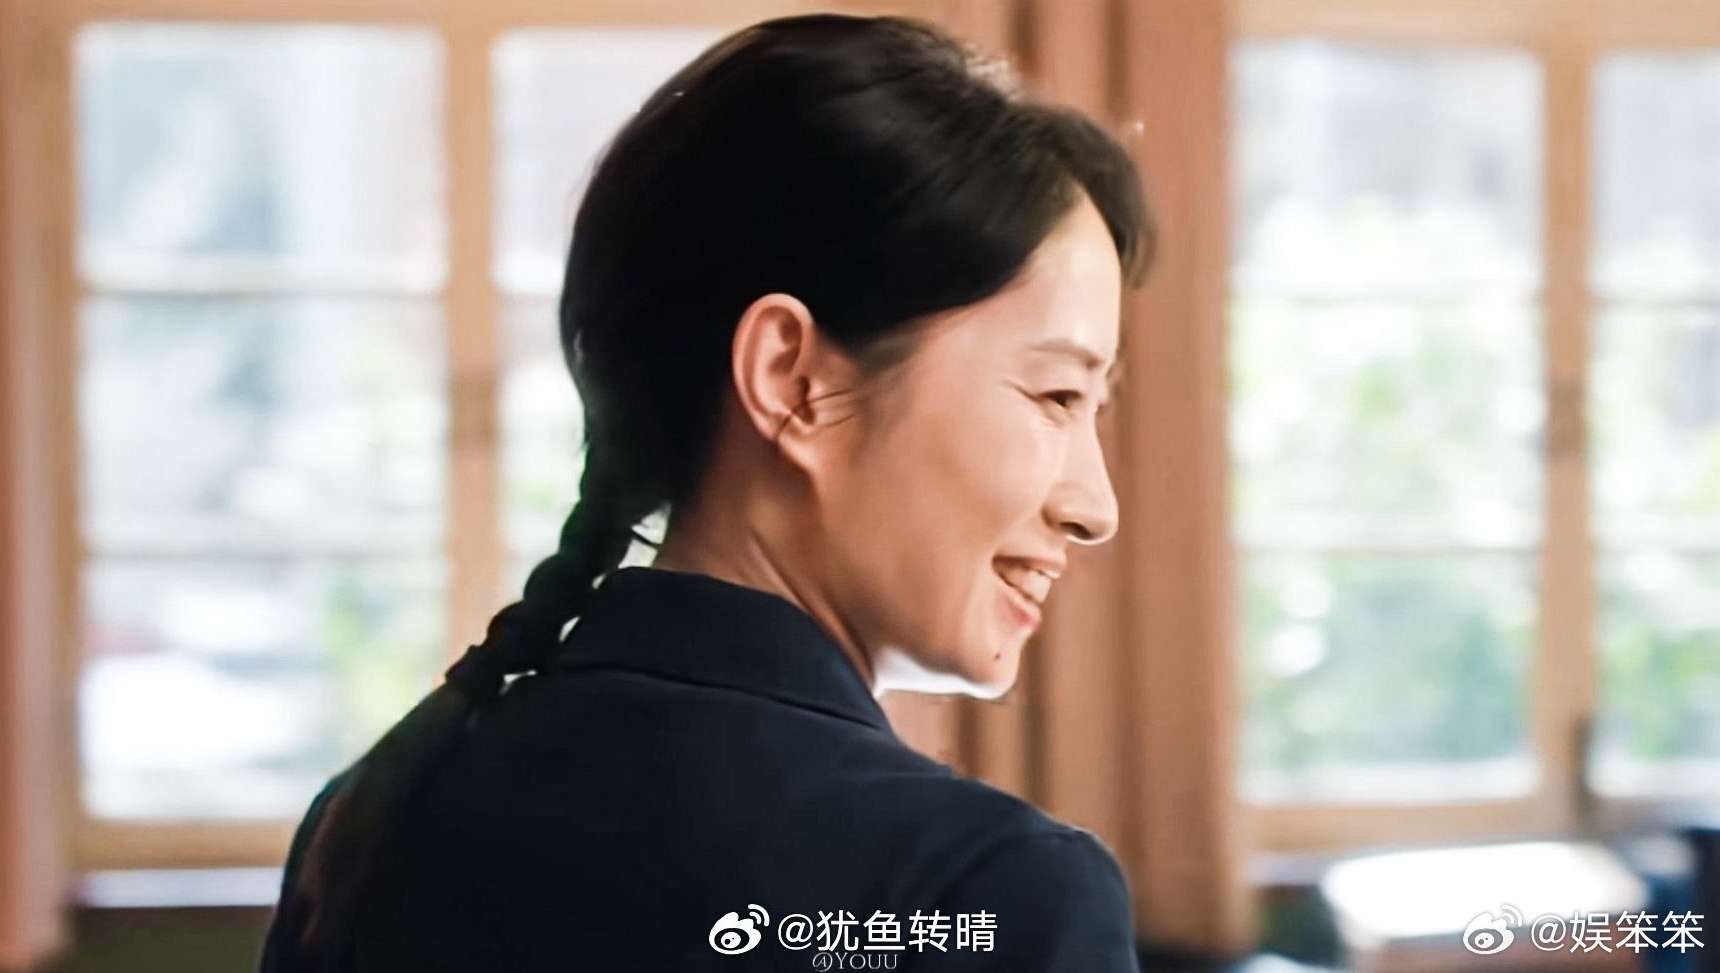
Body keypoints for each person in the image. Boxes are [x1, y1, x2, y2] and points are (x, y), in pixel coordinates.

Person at [259, 11, 1154, 971]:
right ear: (791, 381)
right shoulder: (985, 891)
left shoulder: (379, 815)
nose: (1094, 507)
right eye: (1056, 396)